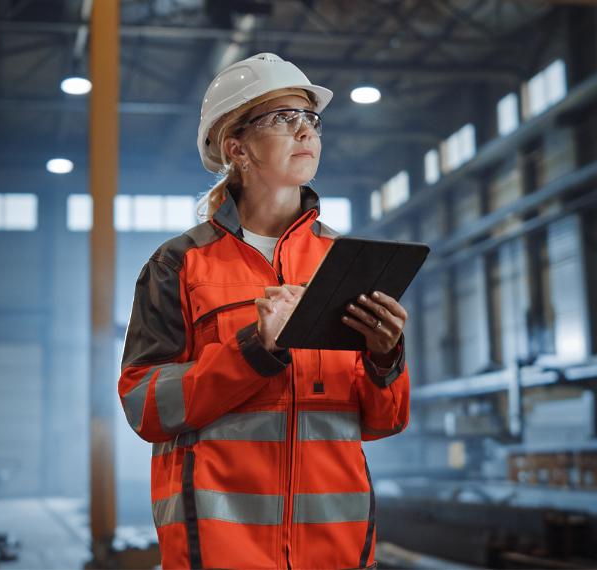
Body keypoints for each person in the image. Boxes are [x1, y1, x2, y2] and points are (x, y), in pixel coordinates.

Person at [118, 53, 410, 570]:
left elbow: (382, 421)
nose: (305, 131)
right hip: (219, 549)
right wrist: (255, 350)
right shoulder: (179, 263)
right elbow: (145, 406)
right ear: (238, 148)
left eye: (310, 119)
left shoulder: (346, 263)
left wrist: (386, 359)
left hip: (337, 551)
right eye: (282, 118)